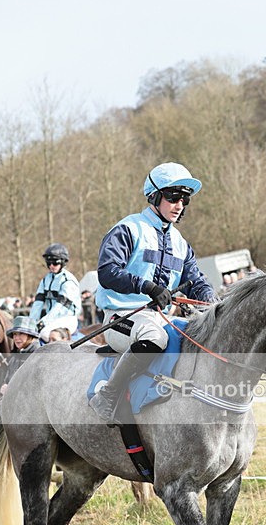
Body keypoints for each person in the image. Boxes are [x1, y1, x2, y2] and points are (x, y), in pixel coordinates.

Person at [90, 161, 218, 424]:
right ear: (154, 196)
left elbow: (197, 281)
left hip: (162, 318)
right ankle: (109, 394)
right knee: (155, 337)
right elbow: (107, 272)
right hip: (121, 318)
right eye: (173, 197)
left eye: (184, 199)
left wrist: (214, 303)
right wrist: (147, 287)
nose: (179, 204)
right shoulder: (128, 229)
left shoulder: (181, 243)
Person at [29, 244, 81, 342]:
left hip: (67, 318)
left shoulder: (68, 281)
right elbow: (37, 304)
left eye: (55, 263)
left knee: (44, 333)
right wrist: (31, 321)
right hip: (51, 319)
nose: (51, 266)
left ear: (63, 262)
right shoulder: (45, 280)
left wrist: (43, 322)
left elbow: (59, 307)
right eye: (49, 263)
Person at [0, 316, 41, 395]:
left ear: (30, 335)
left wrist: (11, 388)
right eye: (15, 334)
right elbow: (8, 379)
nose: (16, 338)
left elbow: (36, 386)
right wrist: (4, 385)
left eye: (21, 334)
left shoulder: (38, 356)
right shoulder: (16, 356)